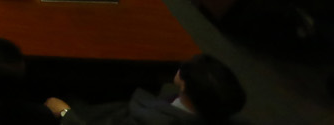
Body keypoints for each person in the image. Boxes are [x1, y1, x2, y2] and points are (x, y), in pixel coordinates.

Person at [43, 54, 245, 125]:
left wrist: (64, 113)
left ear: (185, 85)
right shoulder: (223, 114)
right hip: (126, 109)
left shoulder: (152, 121)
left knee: (62, 94)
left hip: (95, 119)